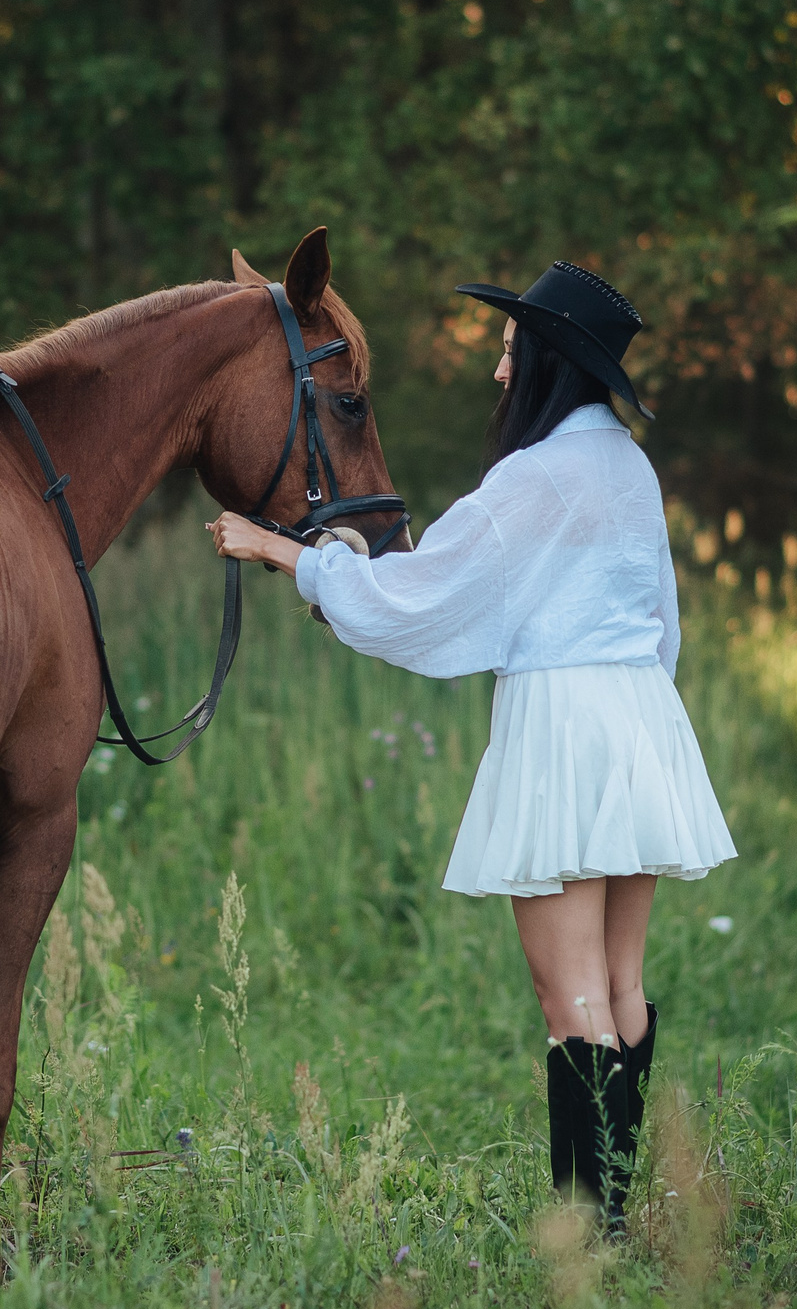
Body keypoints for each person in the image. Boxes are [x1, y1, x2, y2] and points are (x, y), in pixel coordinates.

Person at [209, 261, 733, 1227]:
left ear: (546, 363)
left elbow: (420, 594)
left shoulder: (534, 479)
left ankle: (591, 1230)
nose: (499, 371)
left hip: (565, 726)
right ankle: (614, 1216)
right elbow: (663, 620)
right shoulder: (630, 467)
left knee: (568, 993)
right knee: (620, 982)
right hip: (642, 717)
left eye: (508, 350)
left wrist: (280, 548)